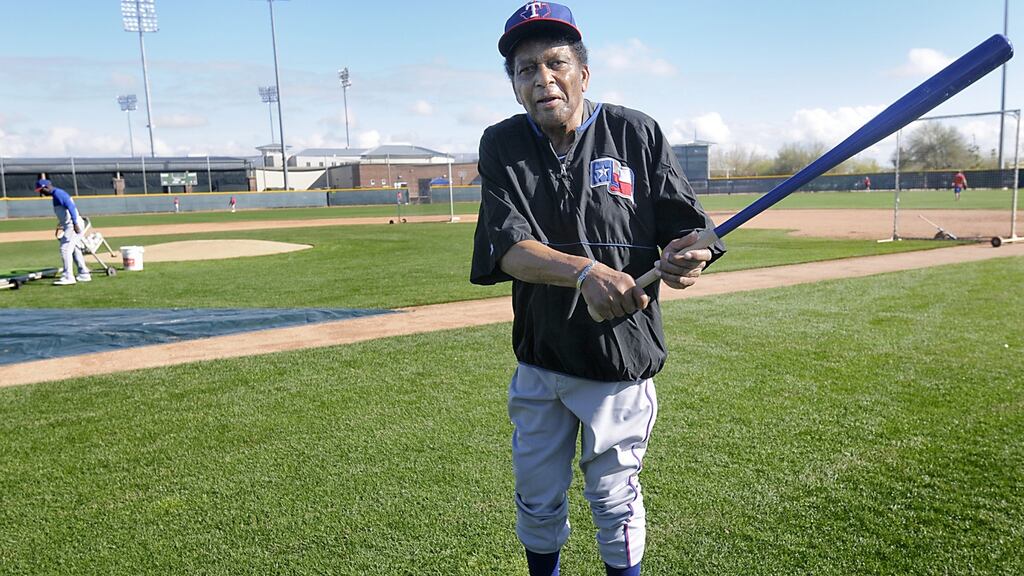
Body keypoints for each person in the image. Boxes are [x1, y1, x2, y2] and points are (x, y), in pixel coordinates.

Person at [470, 4, 725, 575]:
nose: (543, 79)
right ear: (514, 87)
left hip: (618, 359)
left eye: (556, 62)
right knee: (537, 499)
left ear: (583, 72)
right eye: (526, 69)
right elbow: (507, 248)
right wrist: (586, 272)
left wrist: (692, 255)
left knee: (614, 503)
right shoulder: (502, 145)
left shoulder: (636, 132)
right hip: (542, 356)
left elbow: (688, 225)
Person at [35, 179, 91, 286]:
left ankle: (68, 276)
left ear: (45, 187)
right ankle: (84, 273)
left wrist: (75, 223)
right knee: (74, 249)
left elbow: (71, 207)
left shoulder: (58, 194)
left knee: (65, 249)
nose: (41, 193)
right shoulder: (56, 194)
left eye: (41, 190)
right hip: (70, 225)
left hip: (73, 225)